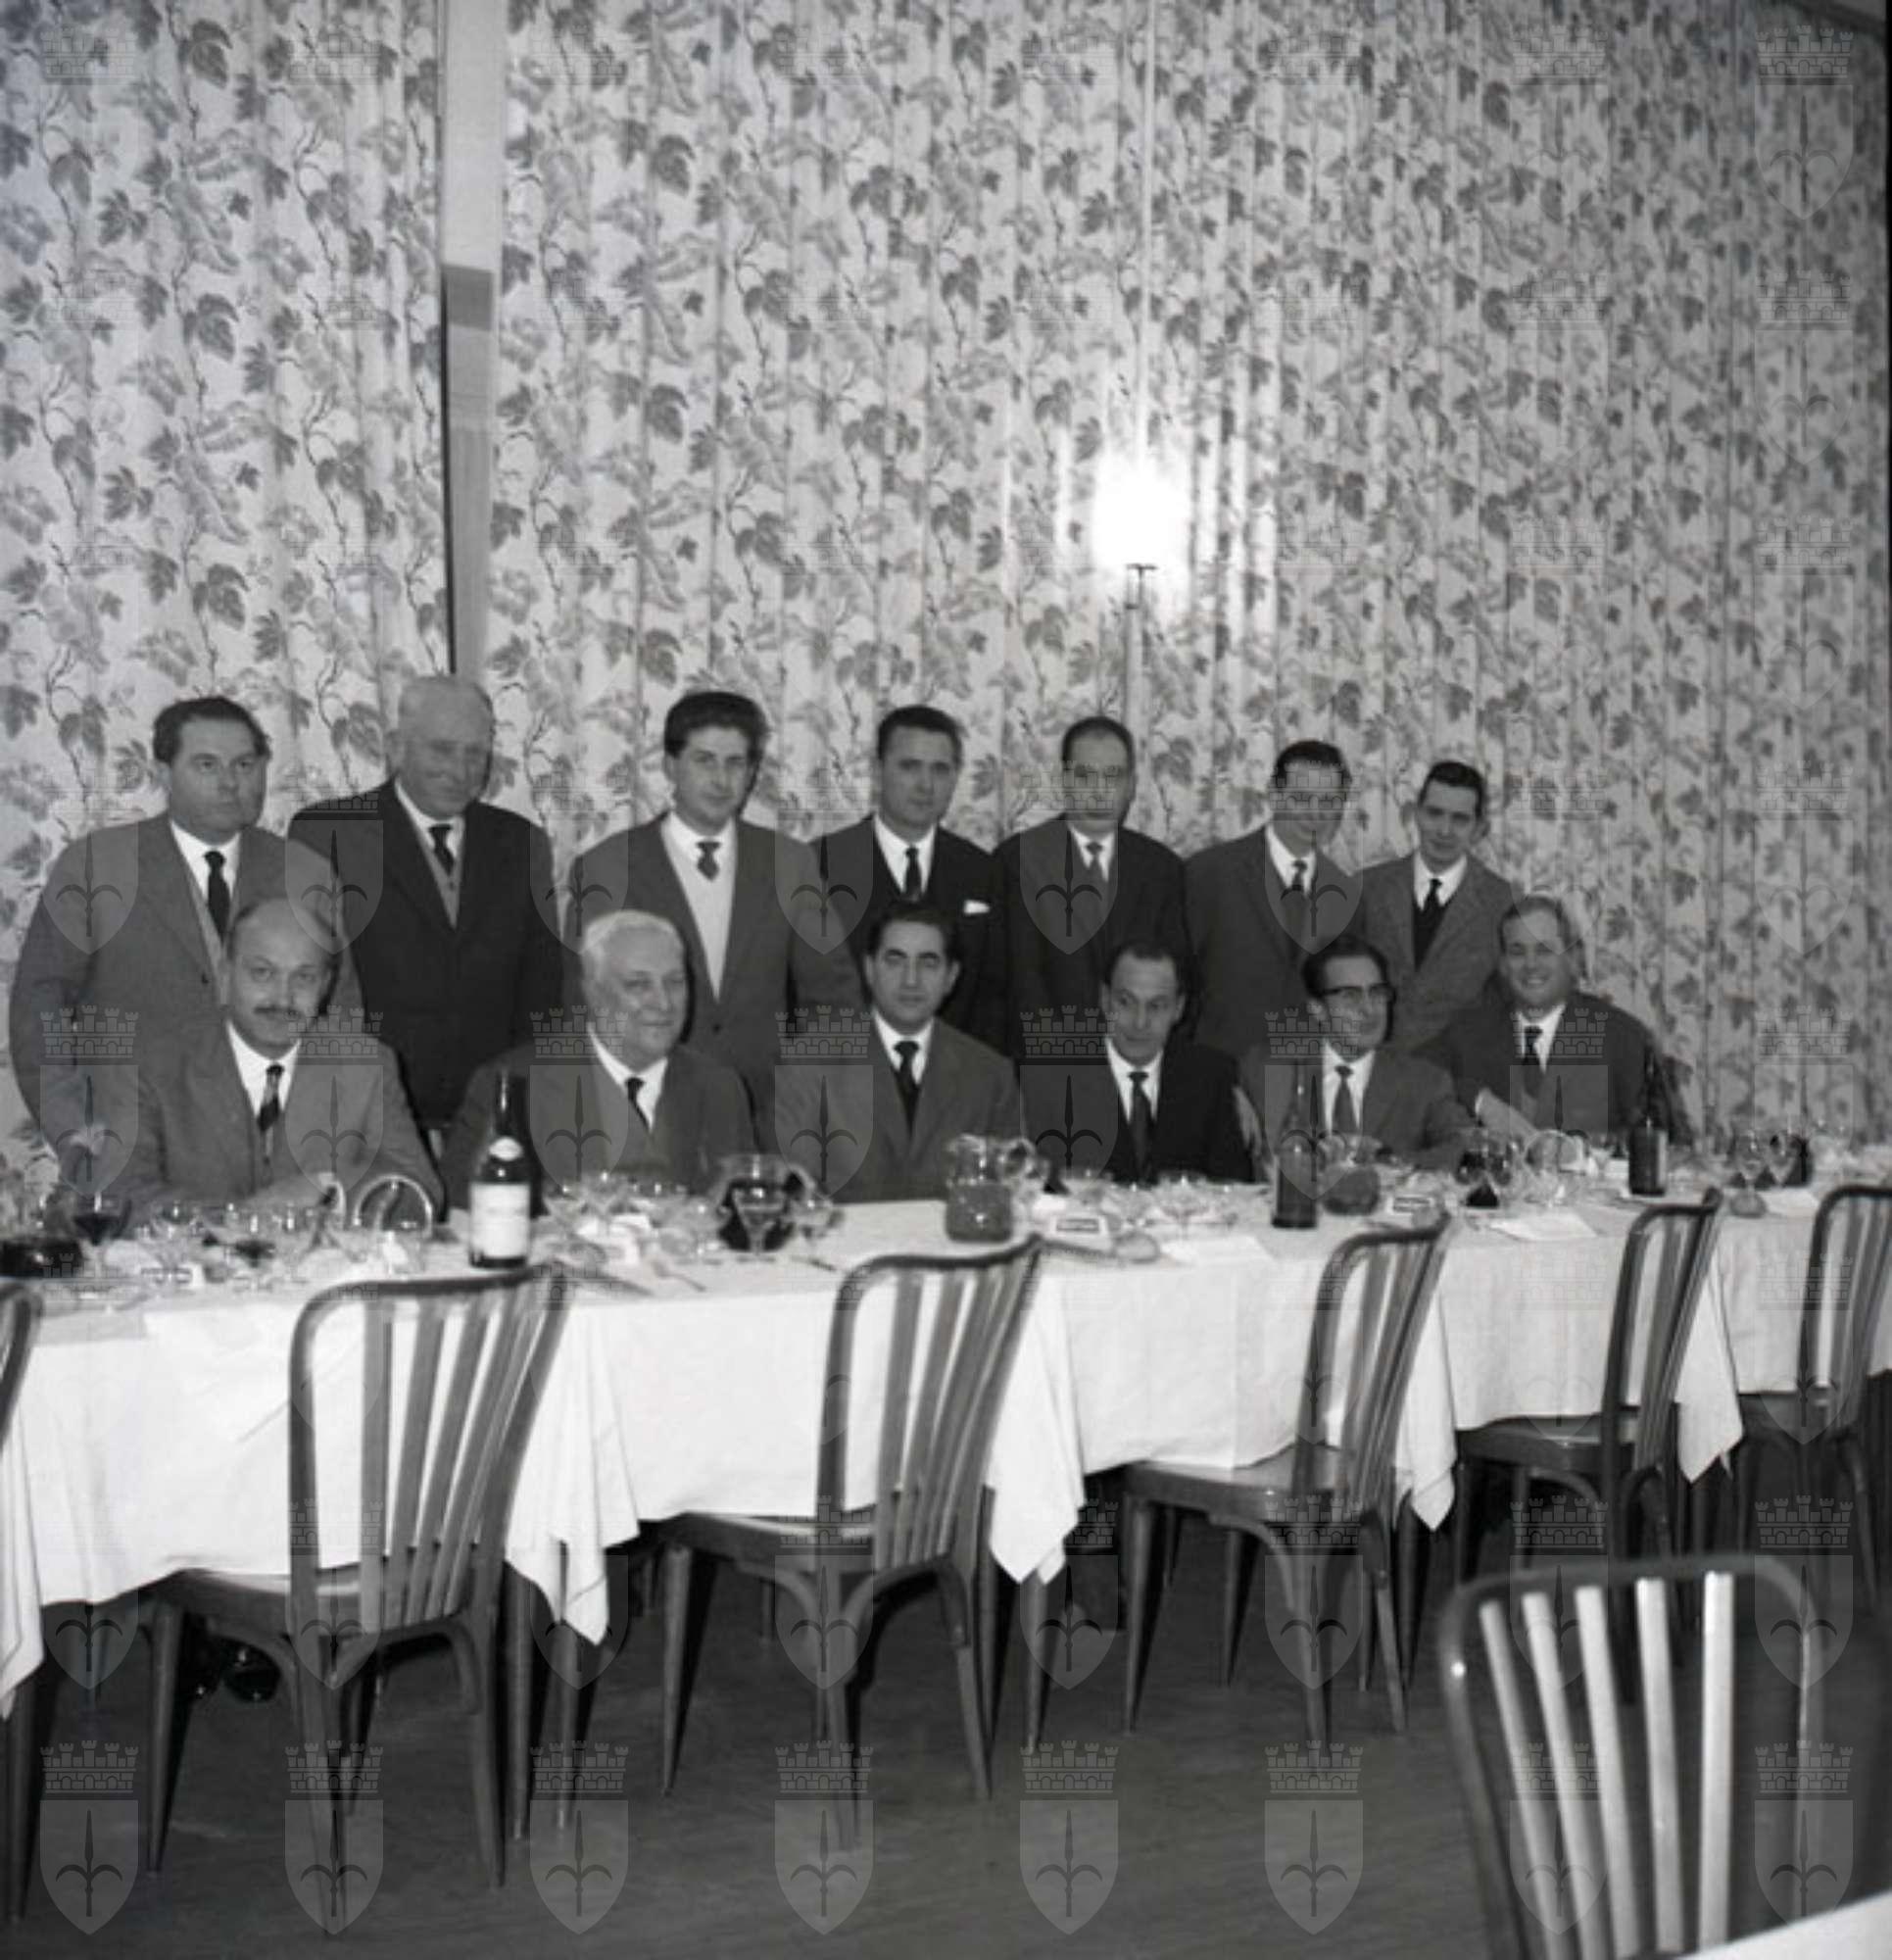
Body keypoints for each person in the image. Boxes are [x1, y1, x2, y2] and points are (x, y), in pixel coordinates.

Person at [9, 696, 347, 1155]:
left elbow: (340, 1010)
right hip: (128, 1141)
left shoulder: (306, 872)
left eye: (245, 765)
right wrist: (73, 1129)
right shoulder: (95, 866)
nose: (230, 782)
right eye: (206, 765)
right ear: (164, 775)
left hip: (277, 1145)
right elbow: (39, 1007)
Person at [289, 676, 565, 1143]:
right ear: (396, 747)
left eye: (475, 753)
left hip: (489, 1114)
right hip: (367, 1113)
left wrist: (521, 1104)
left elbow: (541, 987)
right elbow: (314, 983)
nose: (460, 769)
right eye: (442, 749)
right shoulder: (328, 832)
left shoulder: (521, 842)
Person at [559, 691, 861, 1117]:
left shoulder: (791, 864)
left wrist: (806, 1090)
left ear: (752, 772)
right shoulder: (607, 867)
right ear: (670, 766)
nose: (721, 780)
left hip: (769, 1113)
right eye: (704, 760)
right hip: (646, 1112)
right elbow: (582, 1005)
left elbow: (833, 998)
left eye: (735, 763)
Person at [116, 898, 440, 1217]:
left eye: (304, 978)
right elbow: (122, 1193)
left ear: (325, 986)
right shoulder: (153, 1064)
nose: (283, 998)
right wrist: (245, 1216)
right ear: (225, 973)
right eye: (262, 973)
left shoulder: (366, 1065)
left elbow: (420, 1189)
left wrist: (330, 1192)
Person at [442, 909, 753, 1206]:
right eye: (638, 985)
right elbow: (464, 1215)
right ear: (593, 993)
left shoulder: (719, 1087)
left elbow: (739, 1214)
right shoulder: (515, 1086)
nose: (663, 1003)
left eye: (675, 983)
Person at [778, 902, 1018, 1202]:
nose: (911, 980)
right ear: (869, 970)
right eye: (895, 961)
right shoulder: (807, 1066)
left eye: (928, 963)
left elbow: (1008, 1191)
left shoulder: (990, 1075)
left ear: (951, 977)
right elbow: (797, 1195)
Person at [992, 715, 1188, 1062]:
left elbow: (1176, 981)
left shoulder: (1162, 868)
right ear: (1064, 781)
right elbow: (1009, 983)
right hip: (1042, 1066)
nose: (1099, 792)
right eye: (1085, 777)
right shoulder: (1017, 861)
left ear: (1131, 786)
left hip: (1136, 1067)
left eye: (1113, 777)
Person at [1422, 896, 1692, 1147]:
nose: (1530, 965)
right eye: (1517, 952)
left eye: (1544, 950)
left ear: (1572, 959)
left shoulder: (1623, 1037)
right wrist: (1481, 1101)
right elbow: (1414, 1078)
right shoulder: (1468, 1034)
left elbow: (1668, 1145)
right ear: (1502, 965)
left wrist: (1582, 1153)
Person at [810, 706, 1006, 1049]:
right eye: (909, 766)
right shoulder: (818, 865)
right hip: (846, 1067)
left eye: (940, 770)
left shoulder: (983, 871)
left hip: (955, 1070)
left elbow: (994, 995)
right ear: (877, 772)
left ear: (955, 777)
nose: (925, 785)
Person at [1185, 739, 1360, 1058]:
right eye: (1301, 798)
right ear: (1274, 794)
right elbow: (1179, 980)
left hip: (1305, 1072)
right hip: (1219, 1066)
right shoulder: (1210, 873)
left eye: (1328, 801)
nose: (1315, 813)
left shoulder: (1346, 893)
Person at [1020, 939, 1248, 1184]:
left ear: (1178, 1009)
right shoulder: (1052, 1077)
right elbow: (1033, 1184)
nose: (1140, 1022)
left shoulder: (1211, 1076)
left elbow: (1232, 1188)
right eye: (1125, 1002)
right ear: (1104, 1000)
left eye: (1156, 1006)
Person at [1237, 935, 1473, 1169]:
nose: (1369, 1009)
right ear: (1318, 1009)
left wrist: (1386, 1163)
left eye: (1377, 993)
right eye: (1350, 996)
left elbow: (1464, 1143)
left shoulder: (1424, 1081)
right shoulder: (1265, 1070)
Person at [1359, 760, 1514, 1054]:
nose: (1444, 830)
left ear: (1479, 828)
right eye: (1434, 813)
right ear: (1416, 814)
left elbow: (1506, 1003)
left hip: (1460, 1070)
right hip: (1373, 1064)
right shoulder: (1367, 888)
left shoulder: (1502, 901)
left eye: (1460, 819)